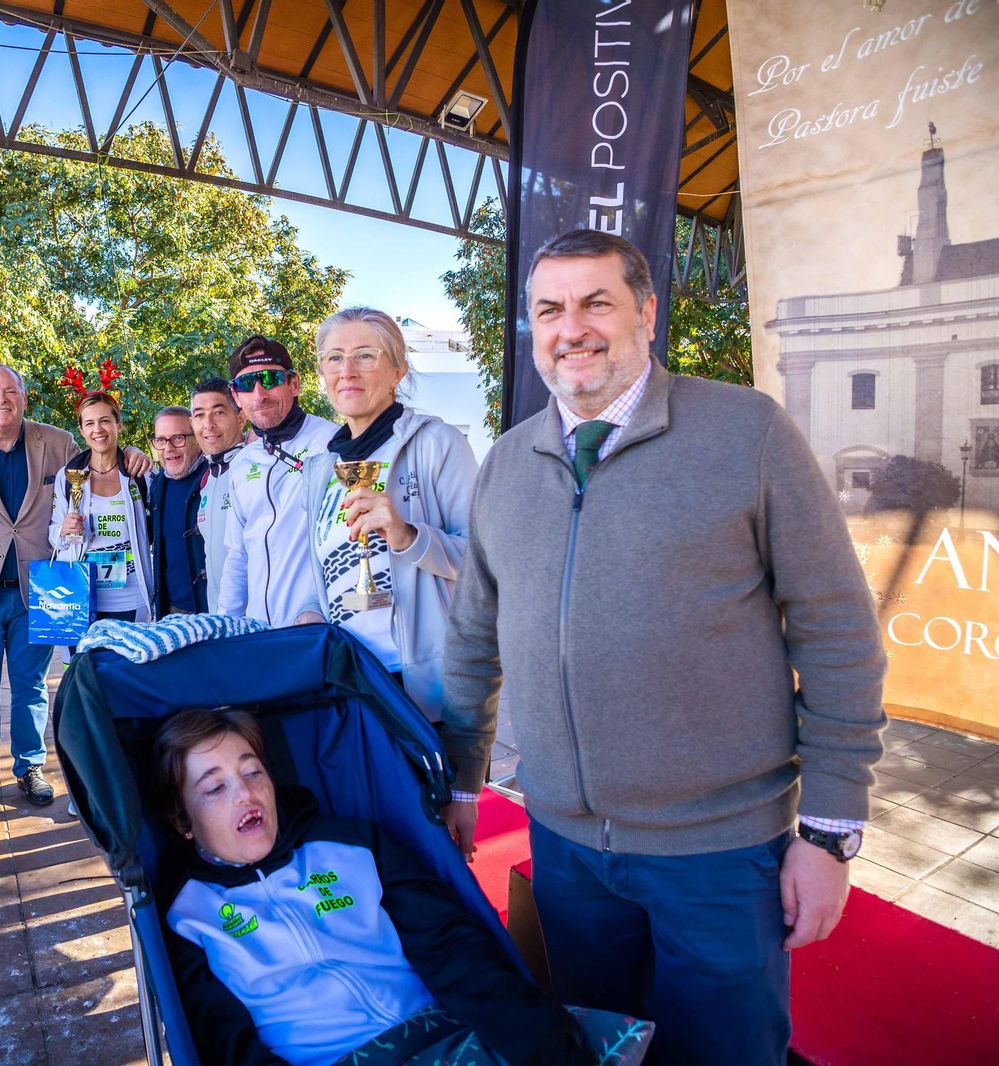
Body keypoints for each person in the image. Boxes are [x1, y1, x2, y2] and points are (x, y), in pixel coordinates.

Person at [441, 230, 887, 1066]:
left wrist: (830, 832)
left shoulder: (747, 433)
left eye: (596, 303)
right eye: (549, 310)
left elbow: (836, 629)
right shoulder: (505, 465)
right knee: (600, 1049)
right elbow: (471, 638)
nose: (571, 328)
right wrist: (462, 778)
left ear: (647, 314)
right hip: (566, 850)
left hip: (719, 853)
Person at [154, 708, 652, 1066]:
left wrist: (542, 1047)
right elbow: (227, 1043)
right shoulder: (188, 916)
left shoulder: (352, 846)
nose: (245, 793)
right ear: (183, 822)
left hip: (440, 1033)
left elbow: (453, 948)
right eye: (215, 787)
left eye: (253, 771)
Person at [0, 363, 150, 814]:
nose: (1, 400)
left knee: (31, 685)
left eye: (10, 391)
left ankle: (30, 765)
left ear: (24, 397)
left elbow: (99, 450)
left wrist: (131, 451)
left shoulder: (55, 442)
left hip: (41, 587)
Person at [290, 307, 476, 721]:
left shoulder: (436, 443)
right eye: (334, 358)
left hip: (425, 685)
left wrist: (407, 536)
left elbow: (484, 563)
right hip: (348, 678)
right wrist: (309, 613)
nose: (347, 371)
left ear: (397, 371)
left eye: (365, 356)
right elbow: (327, 574)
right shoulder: (322, 469)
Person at [216, 336, 338, 625]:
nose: (259, 395)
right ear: (236, 396)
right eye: (246, 384)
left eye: (270, 379)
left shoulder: (332, 444)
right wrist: (225, 625)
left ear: (294, 384)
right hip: (259, 632)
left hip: (315, 628)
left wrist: (317, 612)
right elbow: (238, 556)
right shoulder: (242, 462)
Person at [49, 390, 153, 623]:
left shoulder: (140, 473)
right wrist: (64, 530)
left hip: (131, 596)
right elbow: (53, 535)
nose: (98, 429)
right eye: (89, 423)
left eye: (105, 421)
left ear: (118, 424)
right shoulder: (67, 477)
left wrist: (137, 452)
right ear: (81, 430)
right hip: (78, 595)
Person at [190, 378, 247, 615]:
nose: (208, 424)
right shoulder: (208, 477)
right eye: (200, 415)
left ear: (241, 418)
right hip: (220, 618)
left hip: (260, 623)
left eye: (219, 412)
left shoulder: (258, 469)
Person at [147, 405, 208, 616]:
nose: (169, 448)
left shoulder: (217, 477)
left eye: (178, 438)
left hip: (212, 609)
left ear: (197, 439)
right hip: (170, 611)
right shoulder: (157, 485)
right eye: (161, 440)